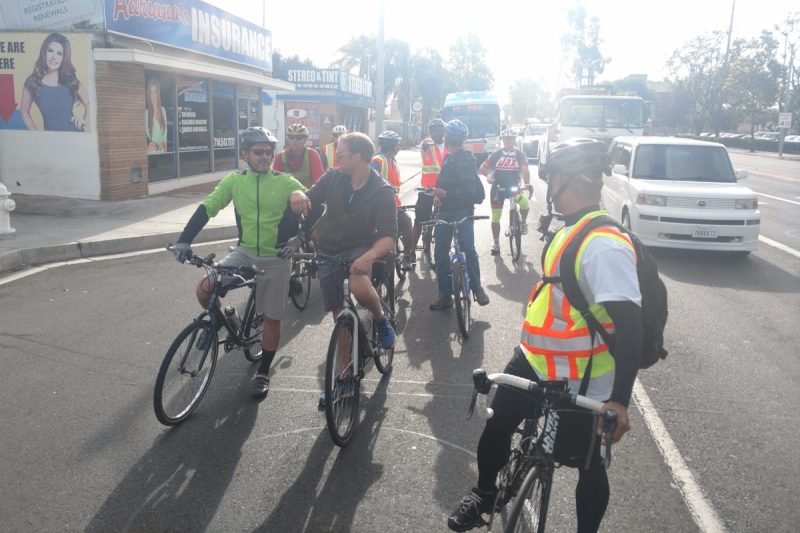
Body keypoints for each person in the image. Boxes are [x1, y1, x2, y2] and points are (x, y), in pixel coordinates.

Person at [447, 138, 643, 533]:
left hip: (585, 378)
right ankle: (485, 497)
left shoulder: (603, 245)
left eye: (549, 177)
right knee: (497, 426)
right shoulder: (572, 228)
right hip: (535, 360)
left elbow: (631, 327)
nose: (546, 185)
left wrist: (619, 401)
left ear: (564, 180)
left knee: (589, 466)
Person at [171, 127, 310, 398]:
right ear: (245, 154)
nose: (265, 157)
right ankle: (228, 319)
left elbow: (306, 198)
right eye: (258, 152)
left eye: (269, 152)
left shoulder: (284, 181)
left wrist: (299, 203)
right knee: (204, 288)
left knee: (272, 317)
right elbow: (208, 207)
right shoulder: (234, 181)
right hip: (244, 252)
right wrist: (183, 241)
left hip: (275, 257)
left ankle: (263, 371)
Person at [302, 132, 398, 406]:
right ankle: (344, 380)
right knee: (340, 318)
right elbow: (310, 199)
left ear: (357, 157)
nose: (336, 158)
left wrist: (370, 256)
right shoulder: (333, 177)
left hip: (361, 247)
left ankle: (380, 318)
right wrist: (300, 201)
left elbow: (389, 236)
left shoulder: (382, 191)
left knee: (357, 281)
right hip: (328, 248)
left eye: (340, 154)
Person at [429, 119, 490, 310]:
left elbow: (469, 192)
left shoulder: (464, 159)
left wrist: (445, 194)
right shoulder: (449, 158)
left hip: (461, 211)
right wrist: (438, 198)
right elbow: (443, 185)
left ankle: (476, 287)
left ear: (447, 138)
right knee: (440, 253)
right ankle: (446, 294)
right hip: (445, 210)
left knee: (467, 248)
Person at [20, 32, 91, 132]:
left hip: (76, 136)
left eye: (59, 53)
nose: (54, 57)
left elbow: (90, 102)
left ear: (64, 58)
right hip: (51, 141)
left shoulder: (70, 80)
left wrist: (85, 120)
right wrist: (36, 136)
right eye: (50, 51)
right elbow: (24, 111)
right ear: (44, 52)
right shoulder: (32, 81)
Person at [479, 129, 532, 255]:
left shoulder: (520, 154)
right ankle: (496, 243)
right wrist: (488, 175)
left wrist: (527, 183)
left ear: (514, 140)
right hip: (499, 188)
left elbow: (525, 169)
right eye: (506, 138)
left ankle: (523, 223)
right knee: (496, 217)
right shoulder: (496, 154)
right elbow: (483, 167)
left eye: (511, 138)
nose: (509, 141)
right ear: (502, 140)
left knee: (525, 204)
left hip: (514, 188)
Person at [371, 130, 415, 270]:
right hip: (381, 207)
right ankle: (407, 257)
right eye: (398, 144)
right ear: (394, 146)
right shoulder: (377, 161)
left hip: (393, 204)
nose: (399, 147)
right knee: (407, 223)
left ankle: (406, 256)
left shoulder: (391, 160)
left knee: (406, 222)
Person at [412, 118, 448, 254]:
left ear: (443, 131)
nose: (436, 132)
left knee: (445, 220)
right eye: (433, 130)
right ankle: (410, 253)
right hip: (427, 189)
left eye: (439, 129)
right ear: (430, 131)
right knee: (420, 221)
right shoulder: (427, 143)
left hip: (443, 189)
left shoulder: (448, 145)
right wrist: (426, 143)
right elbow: (424, 146)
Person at [272, 123, 325, 188]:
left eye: (299, 138)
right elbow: (276, 182)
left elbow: (319, 181)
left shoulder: (312, 154)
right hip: (287, 196)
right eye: (292, 137)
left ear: (305, 139)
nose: (295, 141)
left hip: (309, 195)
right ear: (288, 139)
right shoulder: (280, 157)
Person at [145, 79, 168, 153]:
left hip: (162, 154)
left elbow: (165, 139)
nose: (153, 96)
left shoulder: (163, 111)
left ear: (158, 94)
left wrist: (166, 154)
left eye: (155, 92)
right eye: (151, 93)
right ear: (148, 95)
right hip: (152, 154)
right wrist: (147, 148)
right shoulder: (146, 113)